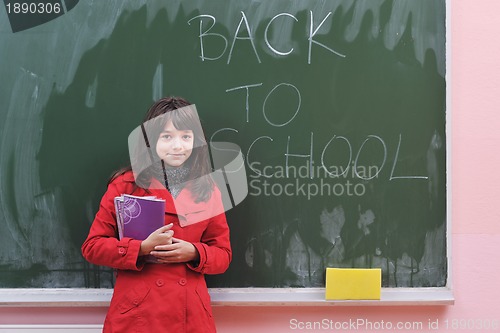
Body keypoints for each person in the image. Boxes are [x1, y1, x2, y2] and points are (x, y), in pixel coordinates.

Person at [82, 96, 231, 333]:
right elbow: (92, 247)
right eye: (167, 136)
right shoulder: (126, 184)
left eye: (186, 136)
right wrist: (140, 248)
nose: (177, 146)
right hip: (138, 315)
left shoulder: (208, 189)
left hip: (189, 316)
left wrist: (193, 252)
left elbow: (223, 255)